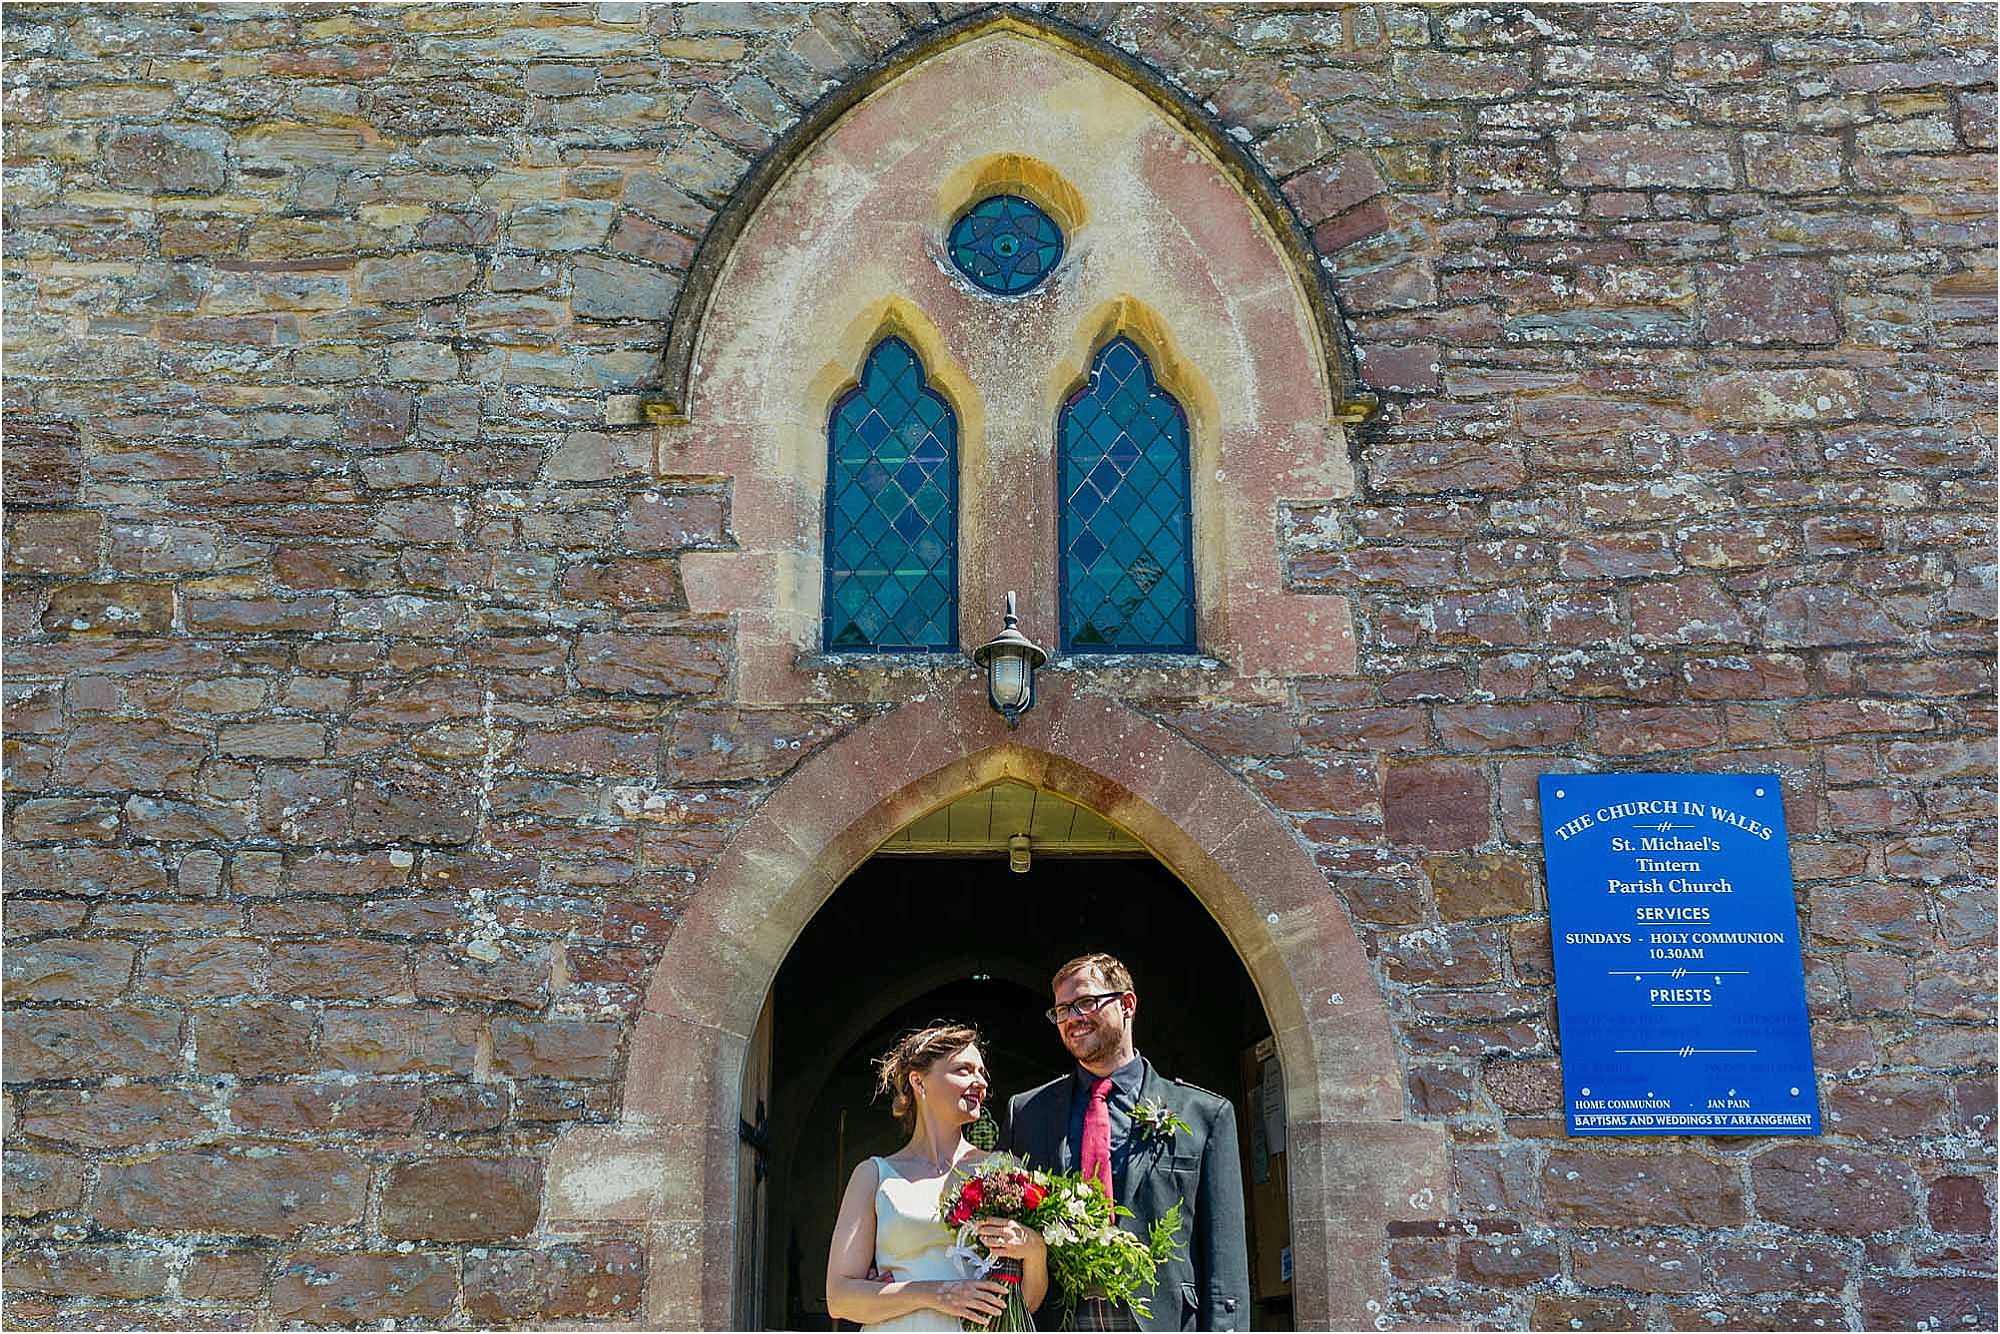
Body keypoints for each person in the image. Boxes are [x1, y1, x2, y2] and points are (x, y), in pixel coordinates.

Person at [1000, 954, 1249, 1331]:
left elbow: (1224, 1255)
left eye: (1085, 1002)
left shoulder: (1204, 1114)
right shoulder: (1028, 1114)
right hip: (1058, 1317)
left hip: (1163, 1319)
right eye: (1061, 1010)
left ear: (1127, 1004)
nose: (1071, 1018)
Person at [829, 1023, 1050, 1331]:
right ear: (919, 1082)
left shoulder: (1005, 1172)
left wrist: (1036, 1250)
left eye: (982, 1073)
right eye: (963, 1070)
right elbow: (840, 1298)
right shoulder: (874, 1176)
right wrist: (937, 1294)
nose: (980, 1082)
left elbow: (1026, 1305)